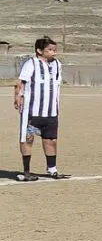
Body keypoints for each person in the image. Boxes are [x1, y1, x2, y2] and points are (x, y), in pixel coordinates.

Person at [13, 36, 69, 181]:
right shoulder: (31, 63)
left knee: (51, 140)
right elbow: (20, 82)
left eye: (54, 50)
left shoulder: (57, 64)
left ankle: (52, 170)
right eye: (50, 50)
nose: (53, 53)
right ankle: (26, 172)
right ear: (39, 50)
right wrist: (18, 96)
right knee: (27, 139)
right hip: (32, 111)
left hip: (51, 111)